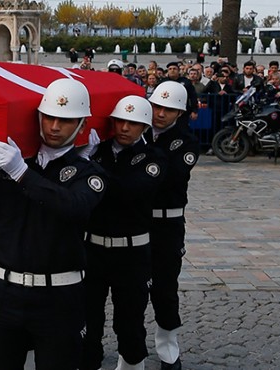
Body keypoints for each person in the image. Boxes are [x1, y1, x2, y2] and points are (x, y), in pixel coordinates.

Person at [0, 78, 107, 369]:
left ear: (82, 126)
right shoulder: (15, 162)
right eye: (48, 117)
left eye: (65, 120)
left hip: (58, 296)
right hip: (3, 291)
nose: (54, 127)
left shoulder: (88, 172)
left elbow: (72, 207)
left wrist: (21, 173)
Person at [82, 95, 167, 370]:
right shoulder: (97, 150)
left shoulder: (153, 158)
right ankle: (88, 362)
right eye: (120, 121)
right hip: (92, 249)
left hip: (131, 252)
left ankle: (131, 363)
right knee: (87, 316)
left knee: (129, 320)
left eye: (133, 123)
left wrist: (88, 166)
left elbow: (126, 192)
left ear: (144, 127)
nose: (125, 128)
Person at [144, 81, 200, 370]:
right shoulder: (139, 132)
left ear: (180, 113)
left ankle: (167, 344)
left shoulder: (186, 141)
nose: (160, 113)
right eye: (156, 106)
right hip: (136, 220)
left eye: (169, 109)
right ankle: (131, 343)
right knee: (131, 287)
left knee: (165, 286)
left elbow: (171, 175)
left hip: (167, 222)